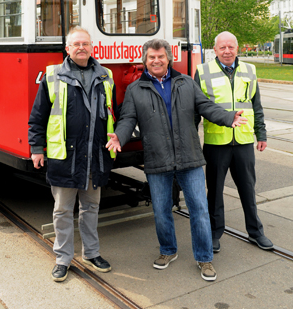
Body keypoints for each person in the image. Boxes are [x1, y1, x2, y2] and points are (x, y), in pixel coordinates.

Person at [106, 38, 247, 282]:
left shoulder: (186, 83)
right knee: (161, 211)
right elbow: (128, 118)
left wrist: (227, 117)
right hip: (157, 159)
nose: (156, 61)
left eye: (161, 56)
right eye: (151, 57)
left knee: (199, 210)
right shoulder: (135, 90)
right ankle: (168, 251)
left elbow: (206, 106)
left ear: (169, 58)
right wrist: (119, 136)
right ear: (145, 61)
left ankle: (204, 258)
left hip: (189, 157)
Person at [28, 26, 117, 282]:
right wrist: (36, 149)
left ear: (92, 47)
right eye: (76, 44)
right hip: (64, 158)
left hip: (95, 156)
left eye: (85, 44)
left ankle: (91, 253)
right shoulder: (53, 76)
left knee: (91, 207)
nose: (81, 48)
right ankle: (63, 259)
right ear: (67, 49)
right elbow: (38, 117)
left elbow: (113, 112)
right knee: (63, 210)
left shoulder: (106, 76)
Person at [194, 31, 273, 253]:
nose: (227, 51)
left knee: (248, 189)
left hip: (244, 141)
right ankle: (214, 233)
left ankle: (256, 232)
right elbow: (196, 109)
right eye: (223, 47)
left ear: (237, 48)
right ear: (215, 49)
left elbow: (256, 105)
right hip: (216, 143)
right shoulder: (203, 71)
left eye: (231, 47)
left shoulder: (250, 70)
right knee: (215, 191)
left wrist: (262, 134)